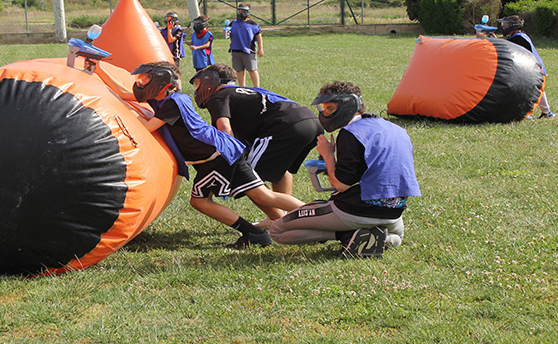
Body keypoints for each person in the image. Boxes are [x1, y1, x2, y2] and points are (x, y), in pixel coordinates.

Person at [97, 61, 305, 249]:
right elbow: (124, 92)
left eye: (145, 80)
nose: (140, 84)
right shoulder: (166, 99)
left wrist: (120, 111)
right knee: (263, 196)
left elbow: (147, 126)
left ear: (161, 82)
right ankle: (313, 215)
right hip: (224, 151)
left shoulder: (172, 104)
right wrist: (97, 70)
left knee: (200, 201)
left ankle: (254, 232)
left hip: (216, 158)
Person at [268, 81, 421, 258]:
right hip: (394, 211)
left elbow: (342, 185)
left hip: (355, 210)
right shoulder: (396, 129)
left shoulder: (350, 133)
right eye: (324, 109)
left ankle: (347, 236)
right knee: (396, 238)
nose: (325, 114)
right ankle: (369, 236)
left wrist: (328, 155)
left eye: (330, 109)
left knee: (277, 231)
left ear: (348, 105)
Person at [190, 63, 322, 224]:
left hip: (284, 126)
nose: (197, 89)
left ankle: (284, 219)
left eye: (198, 83)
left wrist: (231, 158)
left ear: (210, 81)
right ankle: (283, 216)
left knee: (247, 179)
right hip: (310, 122)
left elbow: (224, 127)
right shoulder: (244, 91)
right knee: (281, 169)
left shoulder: (218, 96)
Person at [498, 15, 554, 119]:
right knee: (538, 90)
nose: (503, 27)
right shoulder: (520, 35)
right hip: (535, 70)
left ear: (513, 26)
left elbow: (509, 47)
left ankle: (527, 114)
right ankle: (547, 112)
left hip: (533, 71)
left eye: (505, 25)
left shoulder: (519, 38)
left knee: (528, 91)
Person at [228, 4, 264, 87]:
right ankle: (242, 87)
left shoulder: (253, 24)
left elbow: (259, 36)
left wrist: (260, 48)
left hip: (248, 50)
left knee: (252, 69)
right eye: (240, 11)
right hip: (236, 50)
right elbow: (229, 32)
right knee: (239, 70)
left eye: (243, 11)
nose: (241, 13)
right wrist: (227, 33)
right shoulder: (234, 22)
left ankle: (257, 87)